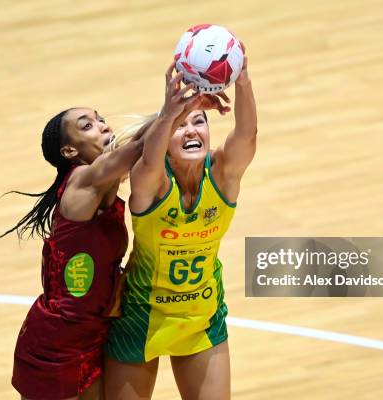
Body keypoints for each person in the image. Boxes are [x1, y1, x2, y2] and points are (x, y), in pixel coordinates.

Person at [105, 56, 257, 400]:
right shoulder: (152, 184)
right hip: (140, 319)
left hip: (201, 317)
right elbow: (147, 160)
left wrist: (242, 80)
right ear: (166, 143)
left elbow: (247, 134)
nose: (192, 130)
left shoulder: (222, 176)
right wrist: (167, 112)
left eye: (199, 122)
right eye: (180, 126)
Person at [0, 106, 154, 400]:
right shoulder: (82, 180)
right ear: (70, 151)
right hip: (56, 342)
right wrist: (180, 103)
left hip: (93, 335)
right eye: (87, 126)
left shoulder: (103, 186)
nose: (103, 126)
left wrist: (181, 105)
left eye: (101, 120)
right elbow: (140, 145)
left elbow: (142, 140)